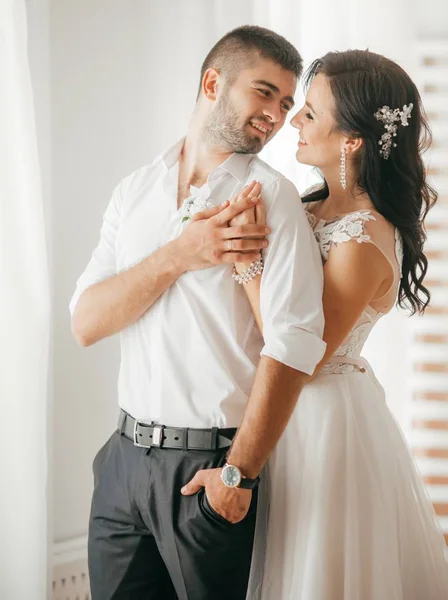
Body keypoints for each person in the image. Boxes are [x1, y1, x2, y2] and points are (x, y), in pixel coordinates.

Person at [69, 25, 326, 600]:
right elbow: (86, 322)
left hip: (209, 469)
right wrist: (180, 256)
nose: (277, 114)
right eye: (264, 93)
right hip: (121, 463)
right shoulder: (133, 192)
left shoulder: (271, 198)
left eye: (286, 103)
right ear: (213, 82)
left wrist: (238, 474)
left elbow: (295, 342)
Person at [221, 49, 448, 599]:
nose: (293, 120)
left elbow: (304, 351)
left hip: (321, 420)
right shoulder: (309, 207)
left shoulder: (364, 239)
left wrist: (248, 264)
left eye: (310, 114)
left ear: (352, 141)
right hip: (279, 407)